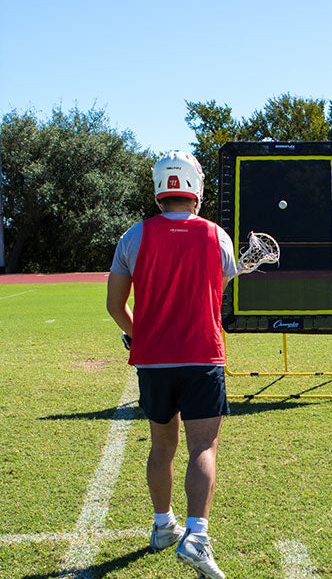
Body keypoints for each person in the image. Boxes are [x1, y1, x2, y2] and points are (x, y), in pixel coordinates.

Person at [106, 150, 236, 579]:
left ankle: (164, 527)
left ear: (160, 187)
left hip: (154, 361)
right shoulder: (217, 236)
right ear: (196, 187)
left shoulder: (134, 237)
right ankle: (196, 536)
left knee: (162, 446)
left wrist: (140, 334)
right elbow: (218, 290)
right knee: (203, 446)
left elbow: (115, 305)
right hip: (202, 356)